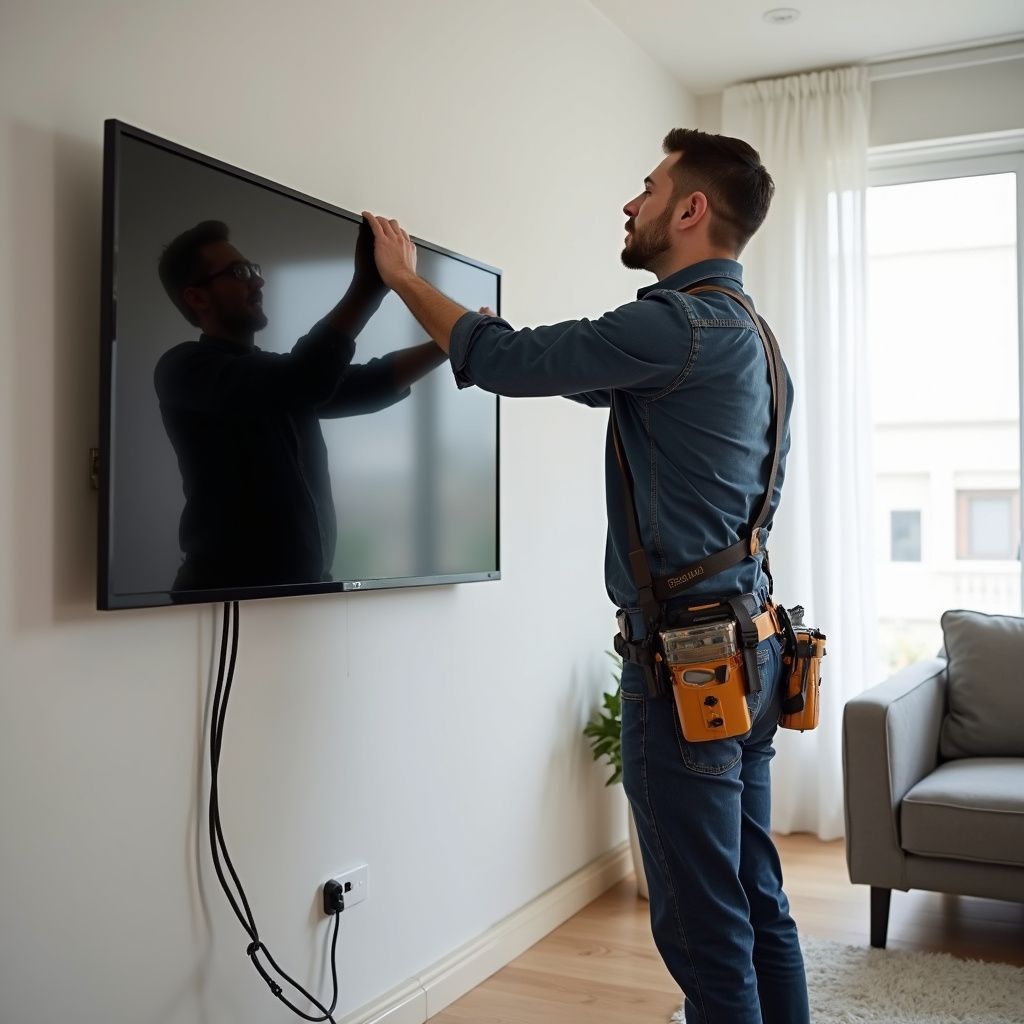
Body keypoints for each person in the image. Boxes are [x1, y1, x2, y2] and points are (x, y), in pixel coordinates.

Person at [362, 127, 809, 1024]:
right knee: (757, 900)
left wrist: (403, 277)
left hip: (684, 670)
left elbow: (503, 360)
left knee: (703, 929)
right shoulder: (751, 339)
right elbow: (573, 378)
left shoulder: (672, 326)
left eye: (646, 188)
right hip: (755, 651)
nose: (629, 203)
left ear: (690, 210)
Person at [155, 219, 446, 591]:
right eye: (239, 272)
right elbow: (303, 380)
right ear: (197, 297)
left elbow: (360, 384)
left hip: (301, 596)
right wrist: (368, 288)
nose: (257, 282)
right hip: (221, 596)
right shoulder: (184, 369)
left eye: (254, 270)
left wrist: (450, 341)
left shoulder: (273, 376)